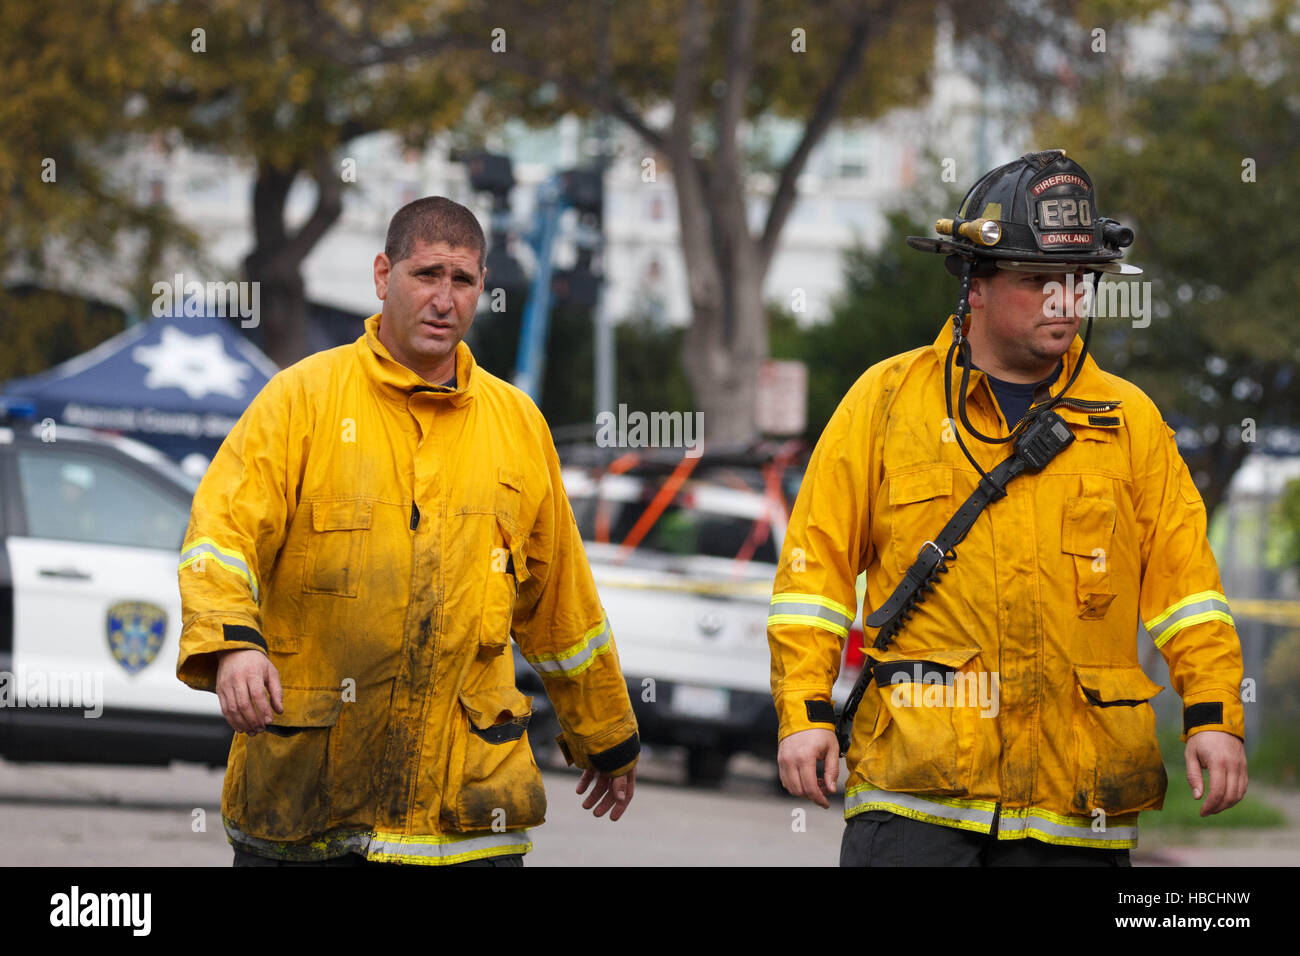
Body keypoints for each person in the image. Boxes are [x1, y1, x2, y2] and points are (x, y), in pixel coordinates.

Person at [768, 149, 1247, 866]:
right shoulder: (886, 403)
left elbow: (1189, 592)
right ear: (975, 286)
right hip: (917, 804)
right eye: (1039, 281)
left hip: (1074, 815)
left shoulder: (1130, 422)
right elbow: (814, 577)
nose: (1066, 302)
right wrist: (804, 712)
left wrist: (1214, 714)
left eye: (1078, 281)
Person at [177, 196, 640, 866]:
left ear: (483, 288)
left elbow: (562, 606)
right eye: (426, 274)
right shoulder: (301, 401)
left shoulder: (518, 427)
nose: (444, 299)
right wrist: (233, 645)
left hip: (466, 823)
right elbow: (221, 536)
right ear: (381, 275)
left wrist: (607, 735)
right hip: (309, 807)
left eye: (463, 280)